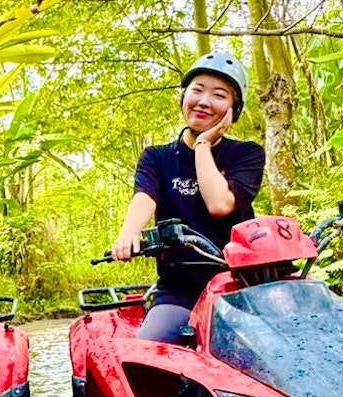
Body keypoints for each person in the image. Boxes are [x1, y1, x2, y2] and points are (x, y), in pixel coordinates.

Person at [110, 52, 266, 343]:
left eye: (219, 95)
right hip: (180, 292)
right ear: (183, 97)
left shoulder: (246, 154)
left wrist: (204, 145)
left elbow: (220, 205)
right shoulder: (157, 157)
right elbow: (145, 195)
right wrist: (129, 233)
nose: (205, 101)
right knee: (146, 359)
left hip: (241, 287)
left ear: (234, 110)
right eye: (197, 90)